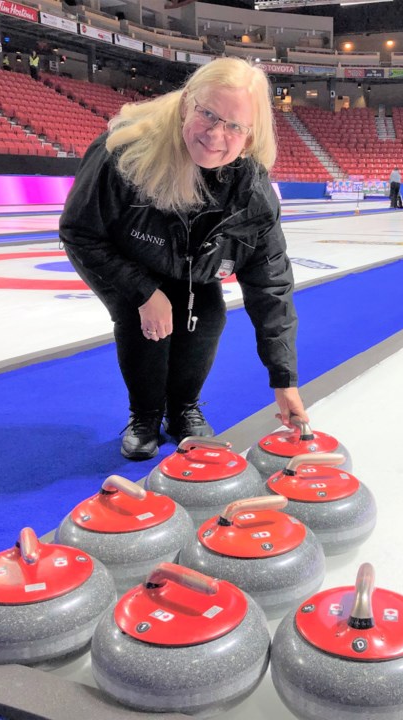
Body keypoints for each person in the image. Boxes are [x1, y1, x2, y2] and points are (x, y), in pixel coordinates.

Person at [60, 57, 308, 460]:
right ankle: (145, 416)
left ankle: (182, 411)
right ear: (185, 103)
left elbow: (271, 283)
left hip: (193, 268)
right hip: (129, 260)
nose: (215, 135)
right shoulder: (124, 154)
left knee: (208, 314)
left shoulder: (253, 191)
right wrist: (143, 293)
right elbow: (79, 231)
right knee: (146, 324)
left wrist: (285, 380)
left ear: (250, 134)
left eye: (234, 126)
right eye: (207, 114)